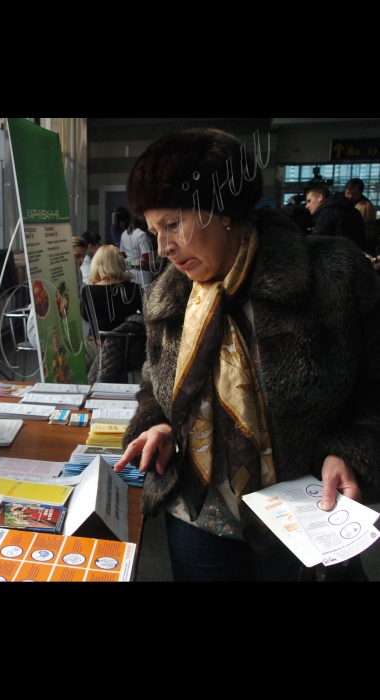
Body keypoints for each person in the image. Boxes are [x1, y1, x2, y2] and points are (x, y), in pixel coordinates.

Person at [115, 129, 380, 582]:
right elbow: (152, 385)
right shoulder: (169, 296)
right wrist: (158, 422)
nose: (162, 248)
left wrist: (348, 452)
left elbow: (373, 391)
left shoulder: (332, 277)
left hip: (303, 520)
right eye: (154, 231)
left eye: (173, 225)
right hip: (197, 518)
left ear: (224, 212)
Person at [80, 245, 143, 370]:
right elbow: (146, 314)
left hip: (96, 349)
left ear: (96, 264)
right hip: (126, 350)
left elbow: (86, 318)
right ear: (120, 263)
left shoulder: (88, 291)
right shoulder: (135, 289)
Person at [306, 184, 366, 250]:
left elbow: (318, 243)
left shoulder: (326, 214)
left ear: (320, 197)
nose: (307, 206)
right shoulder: (354, 211)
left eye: (309, 201)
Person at [119, 217, 156, 287]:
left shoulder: (124, 233)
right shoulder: (141, 234)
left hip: (128, 270)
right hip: (141, 272)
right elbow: (146, 255)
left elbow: (122, 254)